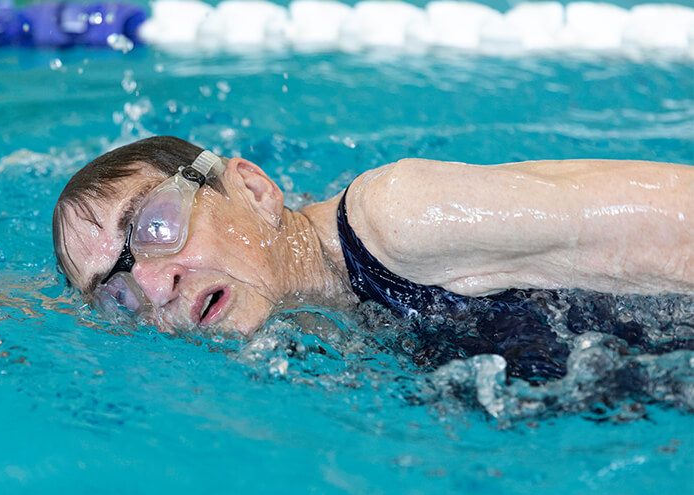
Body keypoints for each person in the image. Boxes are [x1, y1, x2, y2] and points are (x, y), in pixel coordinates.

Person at [52, 136, 693, 344]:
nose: (153, 284)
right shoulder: (324, 314)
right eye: (118, 294)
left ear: (253, 190)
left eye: (155, 227)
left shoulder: (400, 219)